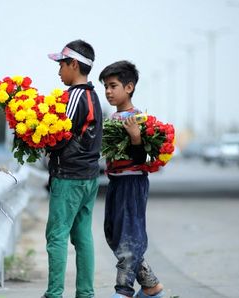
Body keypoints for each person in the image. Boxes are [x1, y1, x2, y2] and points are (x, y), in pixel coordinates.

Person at [98, 60, 165, 298]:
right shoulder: (112, 119)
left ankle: (123, 291)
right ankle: (151, 287)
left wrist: (136, 137)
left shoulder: (139, 119)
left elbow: (142, 159)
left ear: (129, 87)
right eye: (105, 86)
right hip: (116, 183)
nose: (108, 91)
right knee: (113, 234)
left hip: (132, 182)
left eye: (113, 85)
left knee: (130, 238)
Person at [42, 39, 103, 298]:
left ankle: (54, 294)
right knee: (82, 237)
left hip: (69, 177)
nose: (58, 72)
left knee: (56, 236)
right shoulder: (93, 96)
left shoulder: (74, 96)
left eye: (61, 65)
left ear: (74, 64)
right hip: (89, 177)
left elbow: (57, 136)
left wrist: (39, 138)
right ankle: (85, 294)